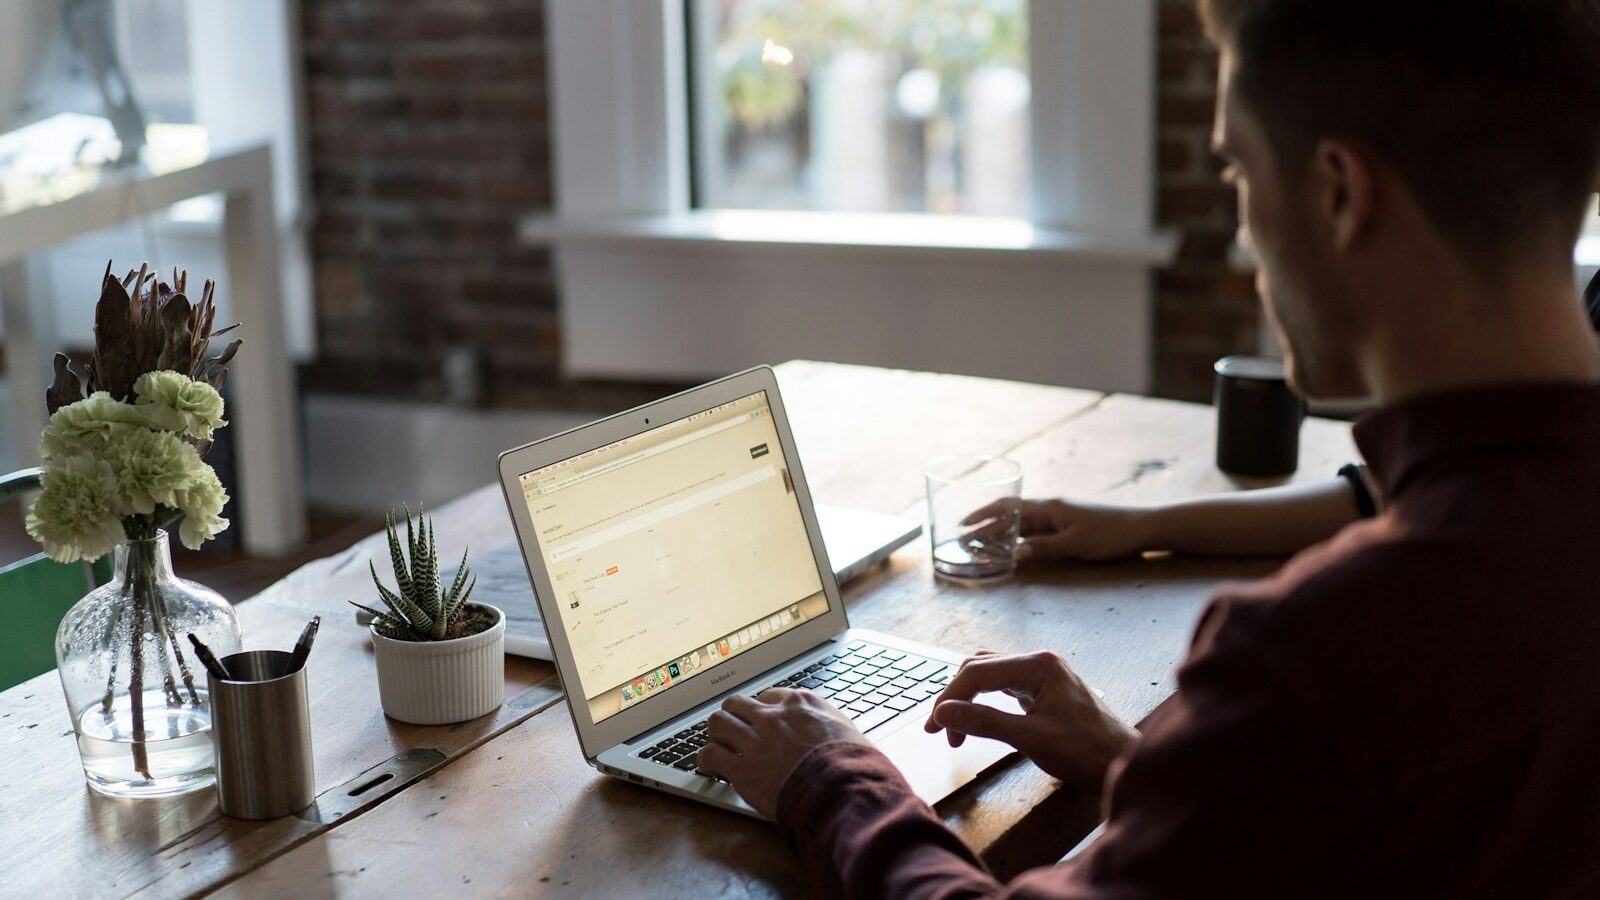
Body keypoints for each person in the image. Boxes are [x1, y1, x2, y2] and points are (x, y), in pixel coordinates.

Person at [697, 2, 1600, 897]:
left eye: (1240, 171)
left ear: (1337, 194)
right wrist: (1149, 766)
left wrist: (830, 778)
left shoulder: (1329, 652)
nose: (1247, 240)